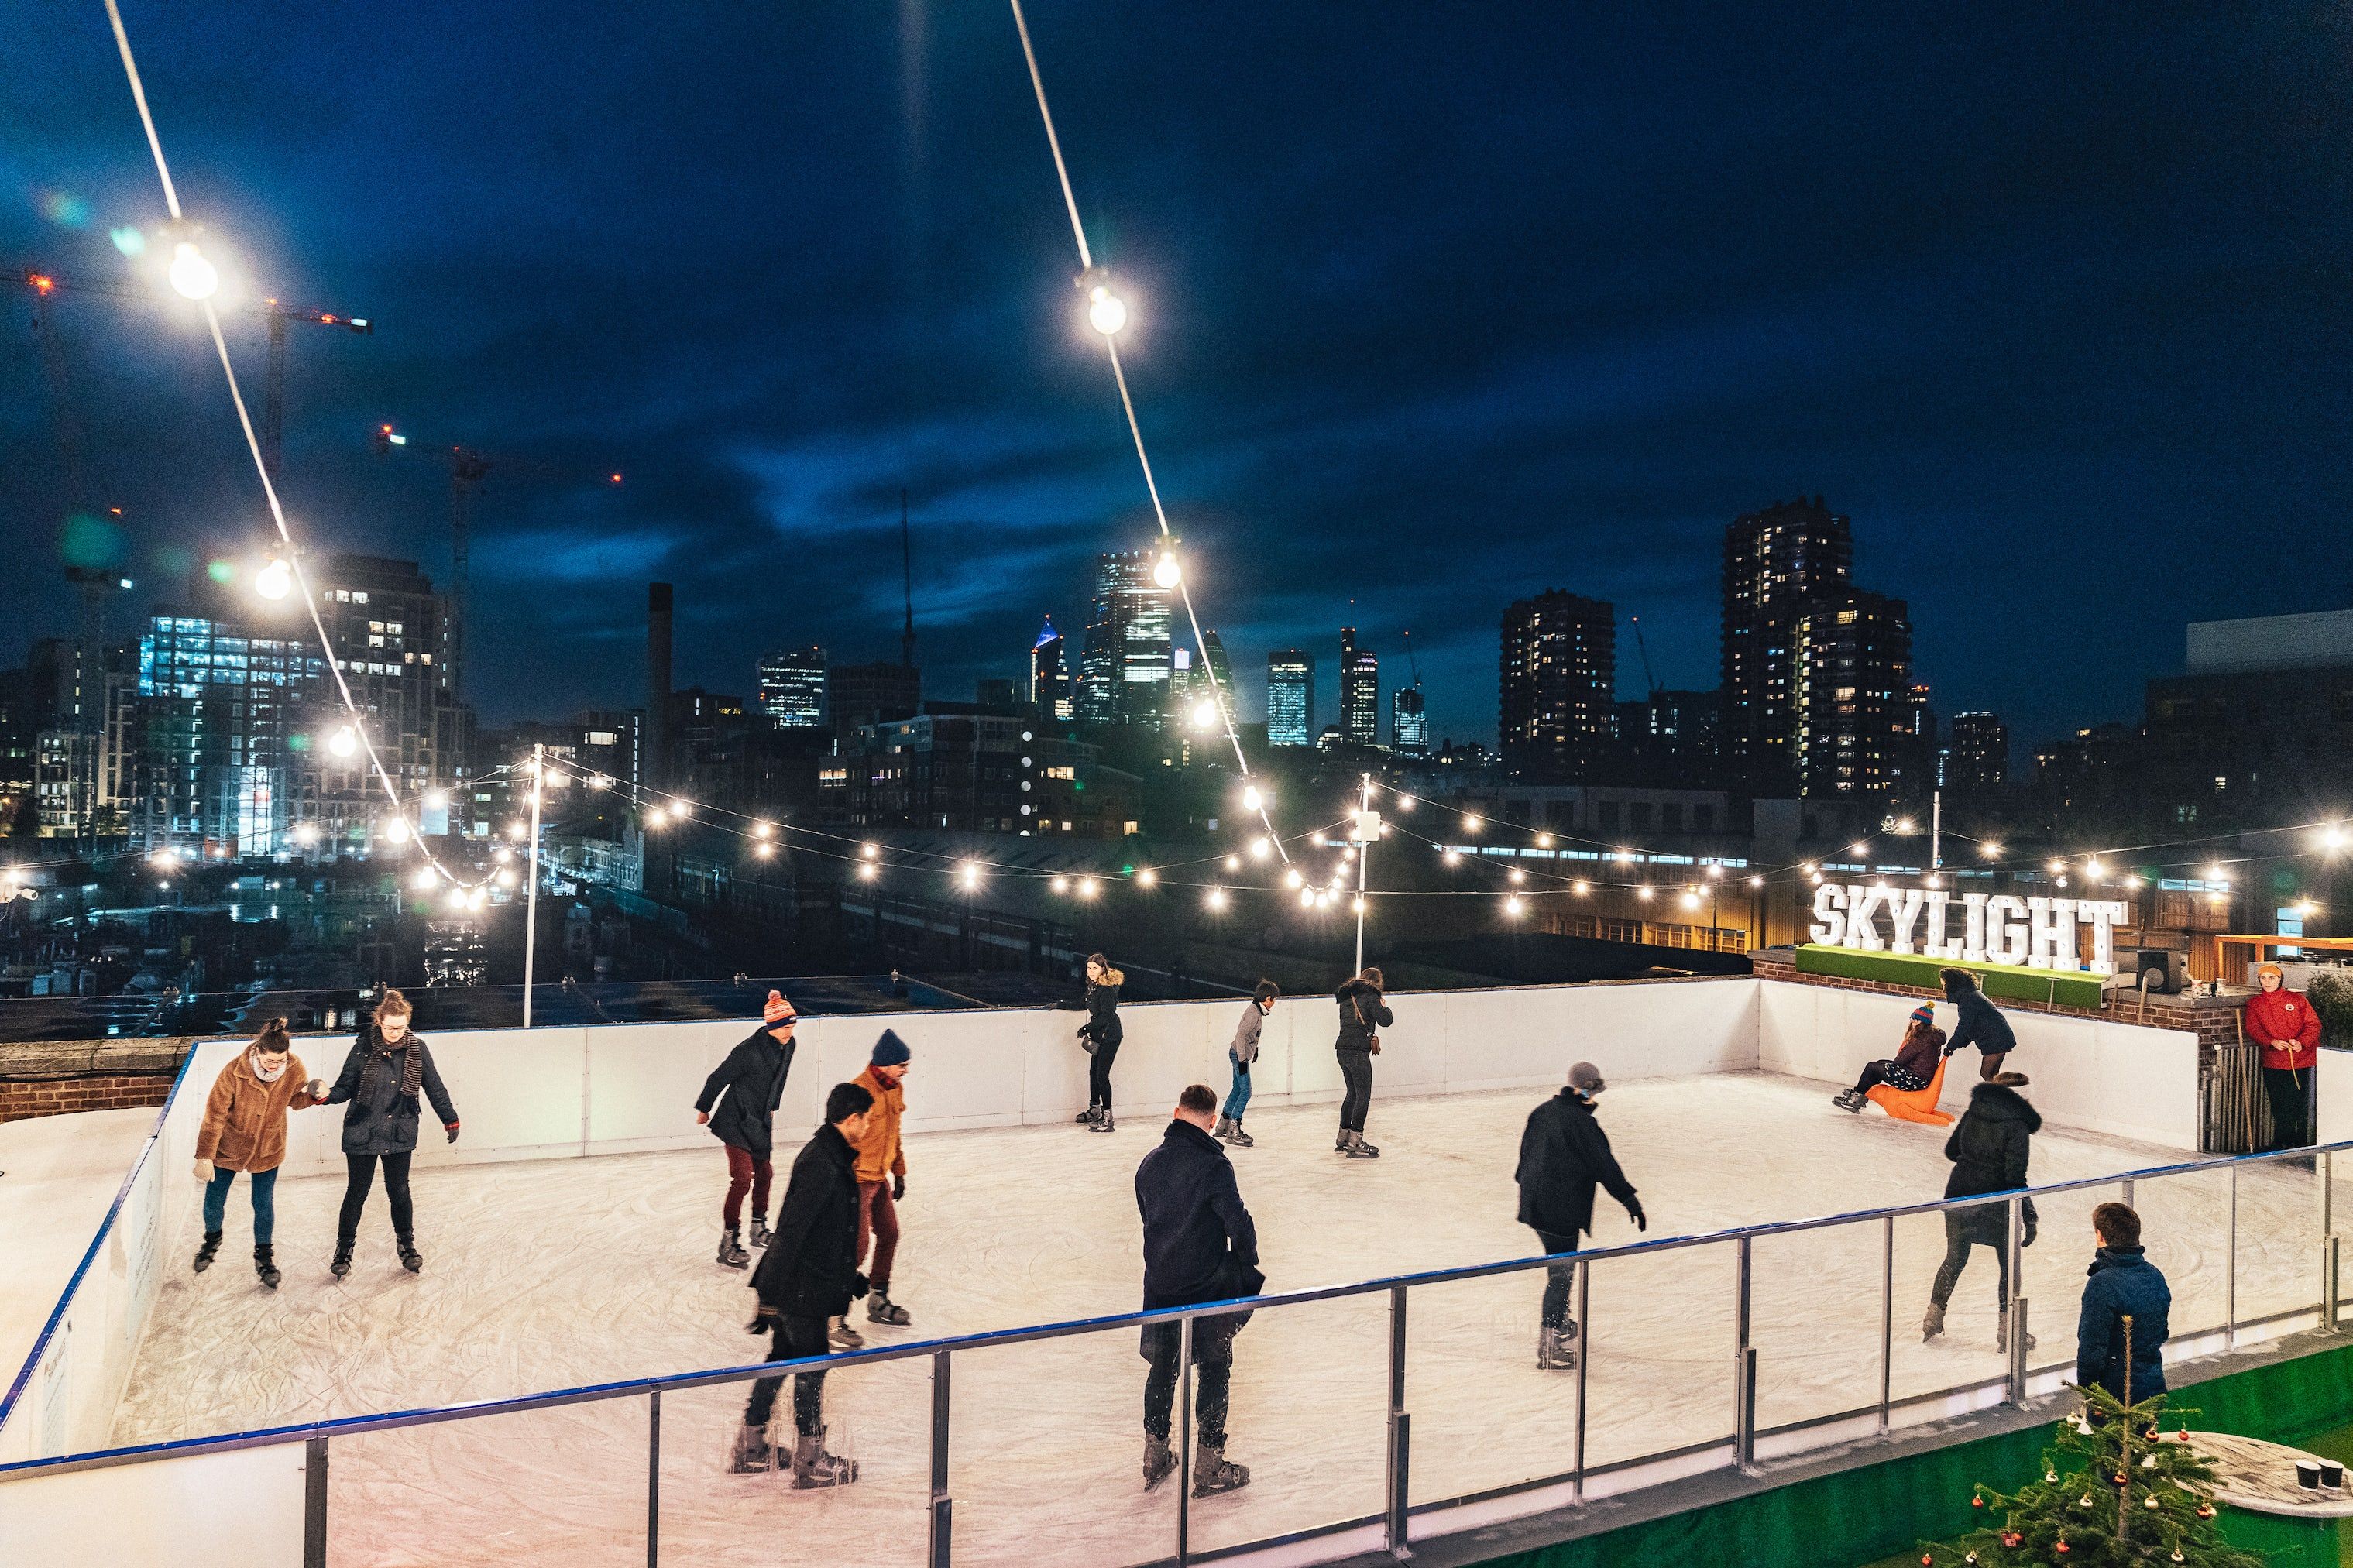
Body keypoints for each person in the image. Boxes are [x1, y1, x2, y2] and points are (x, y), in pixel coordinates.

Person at [733, 1081, 874, 1486]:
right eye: (866, 1120)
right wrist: (770, 1296)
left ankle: (750, 1446)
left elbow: (826, 1234)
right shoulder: (822, 1163)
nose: (868, 1127)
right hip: (800, 1288)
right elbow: (793, 1230)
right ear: (852, 1119)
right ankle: (810, 1460)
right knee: (812, 1366)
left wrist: (848, 1277)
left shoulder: (830, 1156)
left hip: (801, 1282)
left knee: (781, 1358)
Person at [1136, 1083, 1261, 1497]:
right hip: (1206, 1288)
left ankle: (1155, 1455)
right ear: (1211, 1121)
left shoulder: (1149, 1165)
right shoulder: (1214, 1167)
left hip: (1161, 1287)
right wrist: (1246, 1266)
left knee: (1162, 1369)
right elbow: (1238, 1224)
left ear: (1176, 1113)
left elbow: (1149, 1218)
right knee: (1214, 1366)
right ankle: (1209, 1464)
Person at [1515, 1062, 1647, 1371]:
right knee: (1560, 1276)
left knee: (1559, 1268)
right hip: (1560, 1209)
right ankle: (1550, 1345)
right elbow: (1605, 1166)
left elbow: (1525, 1156)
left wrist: (1529, 1187)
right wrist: (1630, 1200)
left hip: (1534, 1203)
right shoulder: (1582, 1124)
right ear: (1586, 1090)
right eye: (1594, 1092)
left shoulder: (1542, 1111)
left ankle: (1559, 1320)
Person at [321, 990, 458, 1278]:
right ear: (379, 1023)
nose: (395, 1033)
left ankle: (407, 1246)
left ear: (407, 1023)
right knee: (357, 1192)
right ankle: (343, 1250)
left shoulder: (418, 1049)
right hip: (363, 1129)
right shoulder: (362, 1048)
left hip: (399, 1130)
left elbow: (434, 1087)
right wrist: (326, 1096)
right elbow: (345, 1087)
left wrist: (450, 1119)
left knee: (399, 1191)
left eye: (400, 1027)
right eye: (389, 1027)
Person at [192, 1017, 325, 1290]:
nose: (275, 1066)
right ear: (258, 1051)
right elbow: (214, 1115)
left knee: (263, 1203)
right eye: (269, 1061)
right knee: (214, 1200)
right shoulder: (234, 1072)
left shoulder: (294, 1068)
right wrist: (204, 1155)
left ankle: (264, 1256)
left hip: (268, 1147)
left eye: (280, 1061)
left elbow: (295, 1101)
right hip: (229, 1146)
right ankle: (212, 1239)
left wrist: (314, 1096)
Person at [1922, 1072, 2039, 1348]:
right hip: (1994, 1203)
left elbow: (1951, 1151)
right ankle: (2008, 1330)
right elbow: (2015, 1179)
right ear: (2022, 1099)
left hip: (1959, 1195)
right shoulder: (2017, 1125)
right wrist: (2030, 1216)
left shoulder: (1973, 1112)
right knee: (2009, 1265)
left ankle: (1932, 1318)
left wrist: (1974, 1160)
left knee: (1955, 1257)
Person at [696, 990, 799, 1271]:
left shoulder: (789, 1045)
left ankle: (758, 1226)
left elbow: (781, 1078)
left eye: (792, 1027)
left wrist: (773, 1105)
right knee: (742, 1178)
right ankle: (729, 1241)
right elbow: (717, 1078)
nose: (790, 1032)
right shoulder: (748, 1051)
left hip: (760, 1120)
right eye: (785, 1027)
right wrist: (704, 1108)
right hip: (736, 1119)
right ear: (772, 1026)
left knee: (765, 1174)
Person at [2076, 1201, 2170, 1406]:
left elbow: (2092, 1350)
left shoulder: (2102, 1284)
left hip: (2114, 1395)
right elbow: (2162, 1333)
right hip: (2153, 1388)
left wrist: (2091, 1394)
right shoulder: (2155, 1275)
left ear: (2100, 1236)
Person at [850, 1029, 913, 1328]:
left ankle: (878, 1298)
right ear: (885, 1064)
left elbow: (894, 1134)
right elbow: (843, 1139)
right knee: (857, 1247)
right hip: (857, 1180)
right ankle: (831, 1310)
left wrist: (899, 1172)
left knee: (889, 1234)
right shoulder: (858, 1092)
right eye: (902, 1065)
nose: (906, 1071)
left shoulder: (895, 1089)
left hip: (880, 1176)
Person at [2245, 962, 2320, 1150]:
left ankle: (2299, 1142)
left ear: (2280, 980)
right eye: (2263, 978)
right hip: (2273, 1061)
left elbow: (2313, 1024)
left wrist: (2301, 1042)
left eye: (2272, 978)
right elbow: (2253, 1028)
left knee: (2298, 1103)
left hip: (2300, 1060)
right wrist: (2271, 1041)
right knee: (2278, 1102)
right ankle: (2284, 1142)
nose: (2267, 982)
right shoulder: (2255, 1004)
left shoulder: (2297, 1000)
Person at [1055, 953, 1126, 1133]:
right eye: (1089, 968)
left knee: (1102, 1075)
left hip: (1110, 1036)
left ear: (1103, 969)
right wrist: (1059, 1004)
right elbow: (1081, 1005)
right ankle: (1095, 1109)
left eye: (1095, 968)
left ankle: (1108, 1117)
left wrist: (1086, 1028)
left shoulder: (1106, 989)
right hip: (1098, 1035)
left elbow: (1107, 1016)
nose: (1091, 971)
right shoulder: (1093, 987)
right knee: (1094, 1073)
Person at [1833, 1004, 1946, 1112]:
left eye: (1917, 1019)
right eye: (1912, 1018)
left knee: (1872, 1067)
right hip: (1919, 1078)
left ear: (1924, 1023)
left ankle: (1855, 1100)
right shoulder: (1930, 1036)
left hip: (1914, 1080)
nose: (1913, 1021)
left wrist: (1908, 1040)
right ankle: (1862, 1095)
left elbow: (1900, 1060)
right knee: (1880, 1063)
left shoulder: (1921, 1038)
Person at [1333, 966, 1393, 1158]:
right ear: (1377, 982)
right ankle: (1356, 1141)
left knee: (1352, 1094)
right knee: (1363, 1096)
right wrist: (1384, 1006)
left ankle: (1343, 1137)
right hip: (1358, 1052)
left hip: (1342, 1049)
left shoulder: (1347, 997)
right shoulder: (1371, 996)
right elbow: (1385, 1020)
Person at [1218, 982, 1278, 1147]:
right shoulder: (1254, 1013)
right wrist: (1243, 1059)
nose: (1274, 1003)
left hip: (1237, 1053)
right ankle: (1233, 1130)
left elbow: (1251, 1035)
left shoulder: (1256, 1010)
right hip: (1238, 1055)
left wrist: (1255, 1049)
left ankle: (1223, 1125)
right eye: (1274, 1000)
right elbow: (1241, 1034)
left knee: (1238, 1089)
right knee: (1246, 1091)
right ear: (1268, 999)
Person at [1939, 967, 2018, 1082]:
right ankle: (1999, 1093)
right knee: (1992, 1076)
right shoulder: (1969, 994)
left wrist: (1951, 1046)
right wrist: (1956, 1045)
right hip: (1999, 1038)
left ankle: (2001, 1093)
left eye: (1944, 985)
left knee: (1987, 1074)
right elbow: (1970, 1026)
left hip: (1996, 1040)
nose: (1943, 989)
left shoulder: (1968, 999)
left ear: (1952, 984)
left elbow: (1964, 1027)